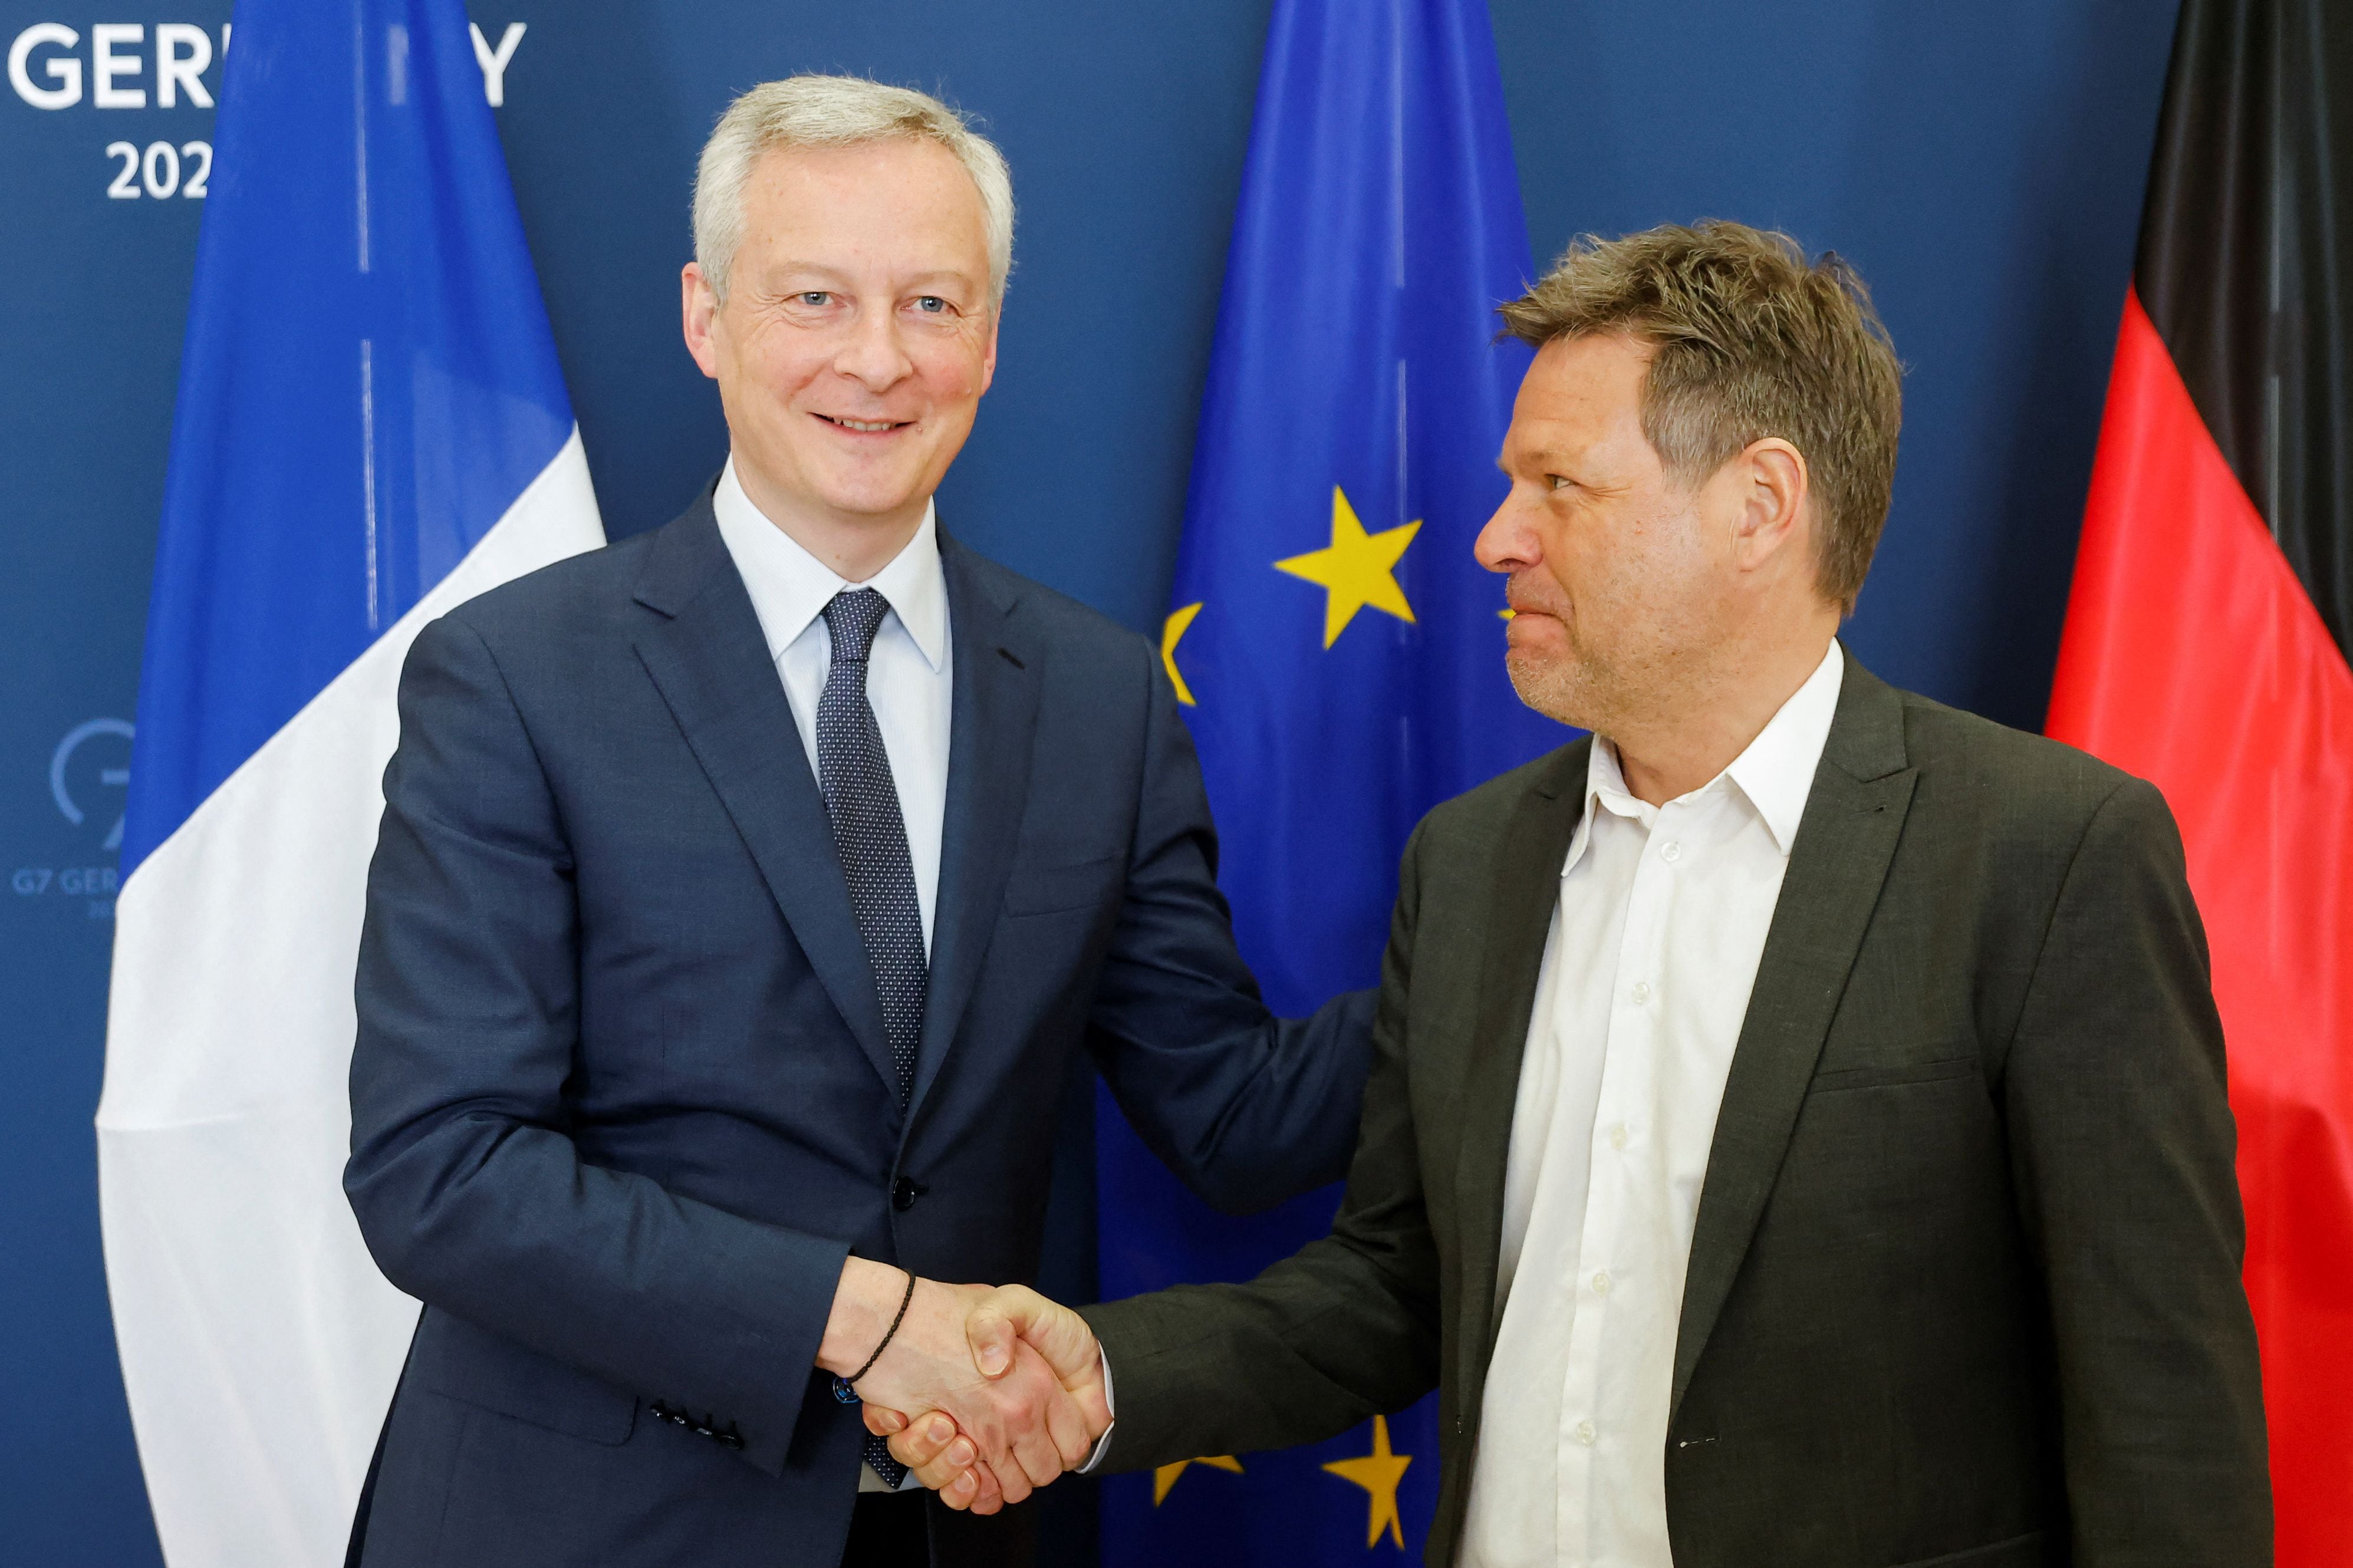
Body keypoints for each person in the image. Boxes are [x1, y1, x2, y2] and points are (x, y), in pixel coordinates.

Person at [882, 221, 2275, 1567]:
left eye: (1559, 485)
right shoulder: (1472, 864)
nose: (1495, 537)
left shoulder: (2044, 856)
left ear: (1759, 505)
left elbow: (2160, 1418)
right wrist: (1103, 1375)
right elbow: (1393, 1284)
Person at [340, 75, 1373, 1568]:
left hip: (959, 1530)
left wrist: (1534, 896)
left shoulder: (1097, 696)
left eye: (931, 304)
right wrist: (867, 1318)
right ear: (707, 318)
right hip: (584, 1529)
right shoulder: (515, 676)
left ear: (989, 339)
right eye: (815, 297)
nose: (877, 359)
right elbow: (439, 1169)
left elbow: (1229, 1115)